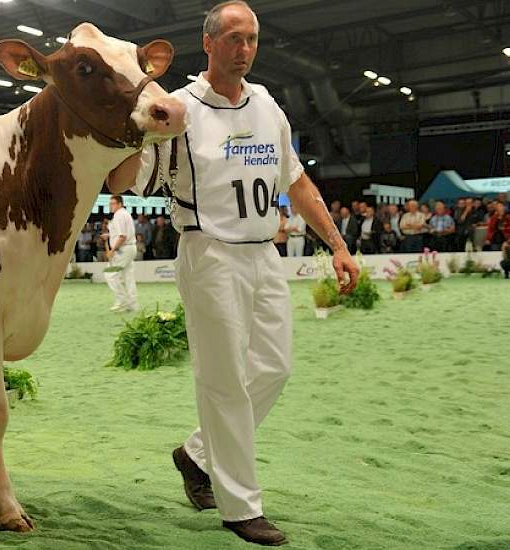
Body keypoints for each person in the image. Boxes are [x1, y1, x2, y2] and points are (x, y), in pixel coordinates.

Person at [107, 2, 358, 544]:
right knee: (223, 383)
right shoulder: (179, 109)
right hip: (209, 252)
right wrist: (137, 127)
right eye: (235, 40)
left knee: (274, 367)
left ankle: (195, 455)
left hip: (264, 253)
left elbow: (297, 183)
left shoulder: (268, 104)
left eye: (252, 40)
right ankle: (240, 505)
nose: (245, 50)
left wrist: (336, 245)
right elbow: (123, 182)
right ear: (210, 44)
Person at [102, 195, 138, 312]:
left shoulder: (119, 216)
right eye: (110, 204)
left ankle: (121, 301)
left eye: (112, 204)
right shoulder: (124, 214)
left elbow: (122, 236)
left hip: (123, 249)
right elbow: (120, 234)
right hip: (129, 247)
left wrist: (112, 250)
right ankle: (132, 304)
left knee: (110, 274)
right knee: (128, 277)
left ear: (119, 204)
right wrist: (109, 236)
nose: (110, 206)